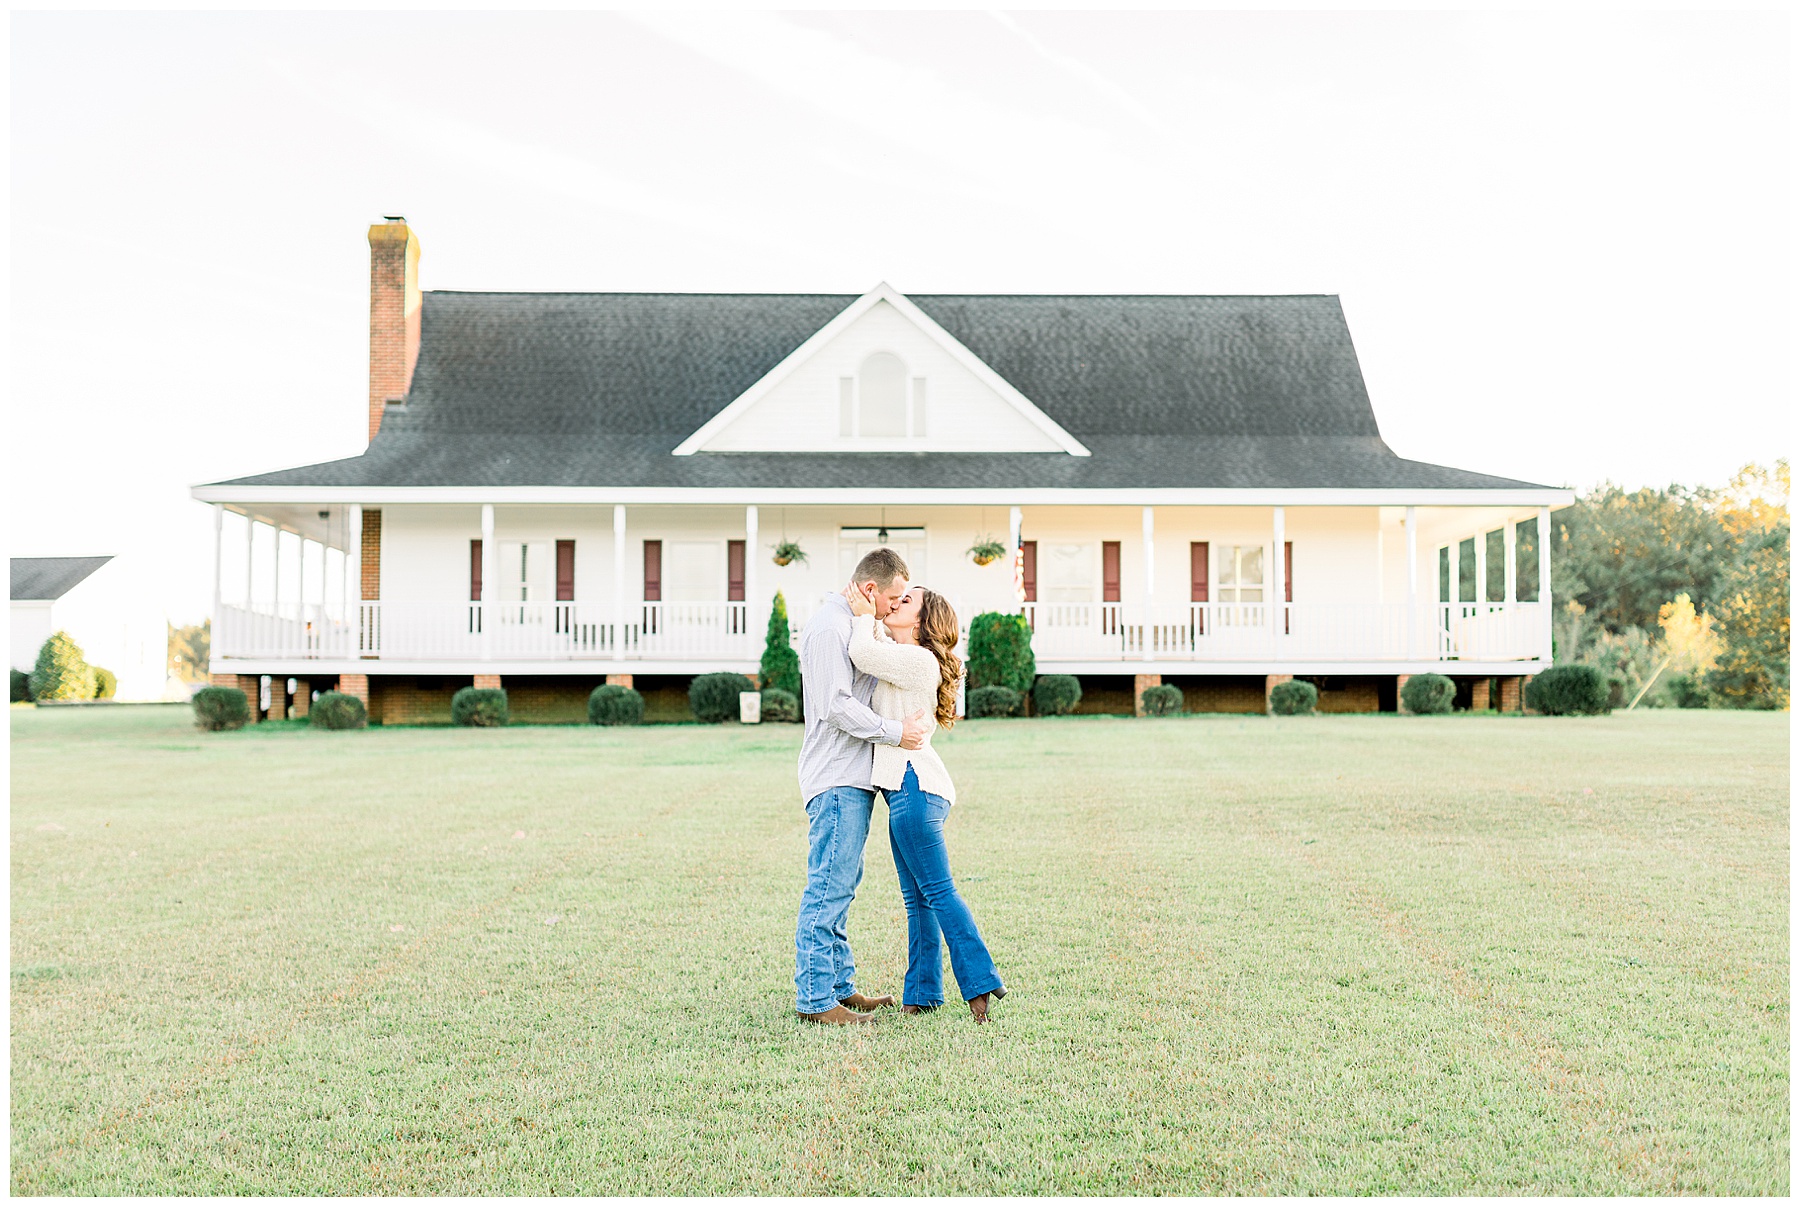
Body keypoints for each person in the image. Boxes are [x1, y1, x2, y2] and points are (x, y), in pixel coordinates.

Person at [847, 583, 1006, 1023]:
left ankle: (980, 981)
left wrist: (863, 614)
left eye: (907, 600)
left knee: (937, 891)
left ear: (921, 621)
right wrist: (870, 613)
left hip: (915, 787)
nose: (896, 601)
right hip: (906, 789)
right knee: (917, 899)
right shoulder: (904, 655)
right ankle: (922, 994)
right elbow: (874, 645)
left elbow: (863, 651)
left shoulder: (918, 661)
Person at [793, 548, 929, 1026]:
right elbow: (835, 705)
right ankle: (815, 1000)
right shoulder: (830, 627)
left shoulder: (851, 624)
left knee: (843, 884)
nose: (896, 607)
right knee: (828, 886)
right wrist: (896, 733)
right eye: (893, 598)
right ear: (871, 590)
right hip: (835, 776)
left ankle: (841, 988)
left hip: (852, 775)